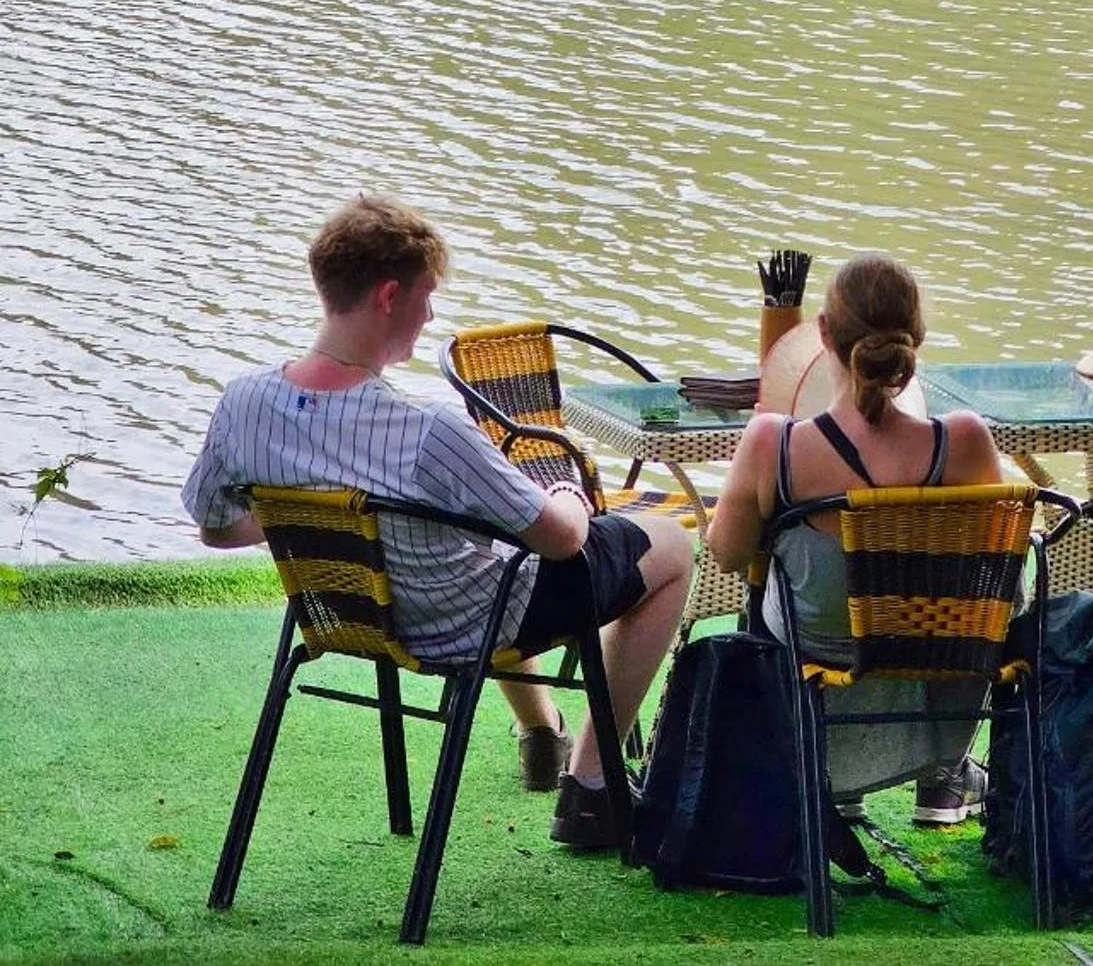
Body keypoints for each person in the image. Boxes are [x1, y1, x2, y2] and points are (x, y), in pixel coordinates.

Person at [181, 193, 693, 853]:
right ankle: (592, 788)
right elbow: (561, 539)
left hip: (345, 616)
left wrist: (306, 513)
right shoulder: (425, 428)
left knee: (489, 542)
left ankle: (541, 732)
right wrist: (567, 491)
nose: (430, 315)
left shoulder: (243, 403)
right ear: (389, 296)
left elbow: (215, 527)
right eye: (427, 297)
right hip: (460, 624)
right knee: (671, 547)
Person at [705, 252, 1009, 827]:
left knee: (784, 587)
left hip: (817, 651)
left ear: (823, 334)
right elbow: (990, 568)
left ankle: (828, 775)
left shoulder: (775, 444)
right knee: (981, 604)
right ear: (917, 336)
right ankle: (944, 774)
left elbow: (727, 553)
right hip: (937, 654)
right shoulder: (966, 441)